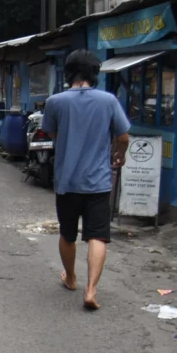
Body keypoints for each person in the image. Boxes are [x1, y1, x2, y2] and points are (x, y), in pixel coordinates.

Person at [41, 50, 130, 310]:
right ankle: (91, 290)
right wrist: (119, 154)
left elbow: (53, 132)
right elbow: (123, 136)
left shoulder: (55, 102)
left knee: (68, 234)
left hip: (67, 182)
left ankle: (71, 279)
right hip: (99, 183)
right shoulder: (108, 101)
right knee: (98, 236)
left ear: (68, 73)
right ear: (94, 73)